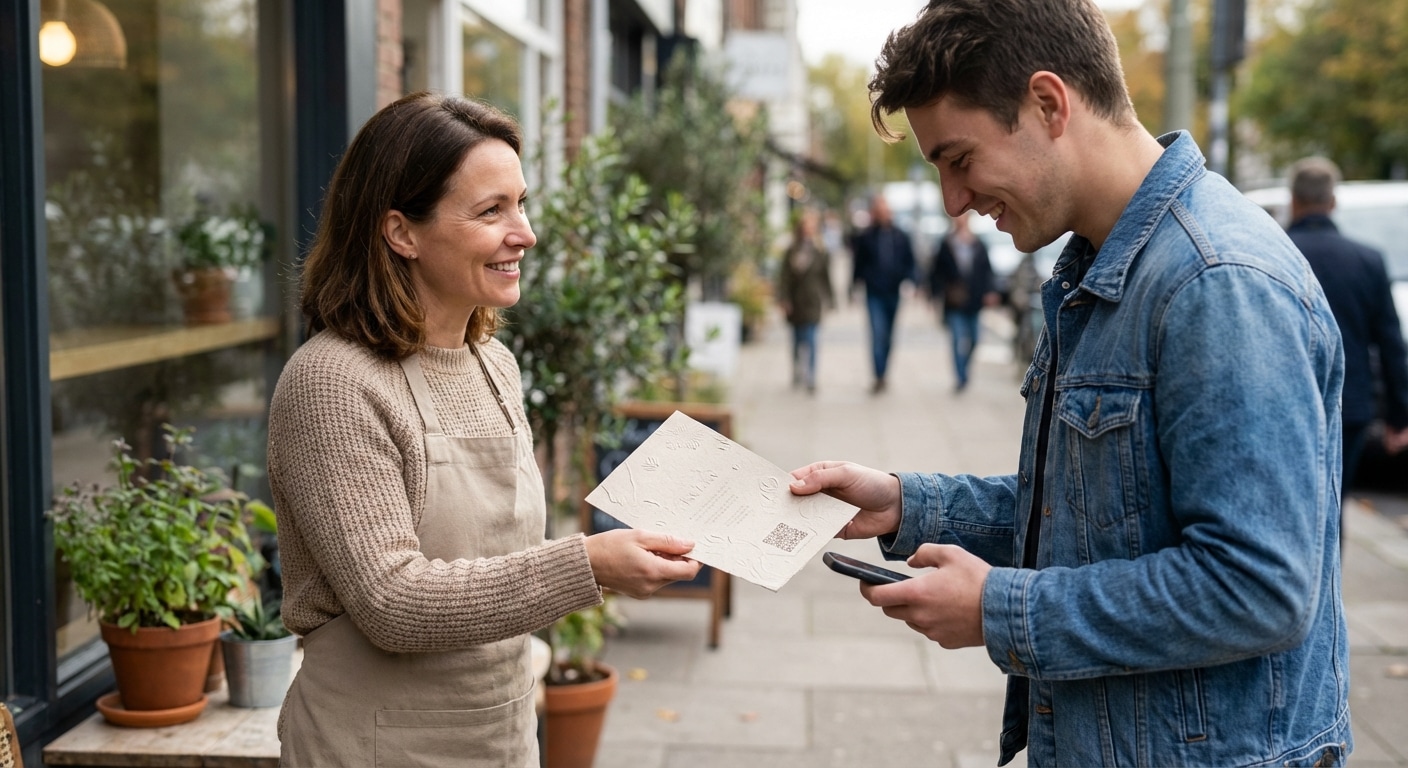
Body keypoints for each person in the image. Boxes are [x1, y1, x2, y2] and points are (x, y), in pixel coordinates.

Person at [788, 1, 1352, 766]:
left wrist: (999, 608)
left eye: (959, 159)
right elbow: (1095, 516)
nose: (954, 200)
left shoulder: (1216, 282)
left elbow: (1258, 588)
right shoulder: (1104, 265)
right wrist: (907, 504)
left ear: (1049, 103)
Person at [267, 92, 702, 767]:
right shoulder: (331, 383)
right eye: (490, 211)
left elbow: (496, 557)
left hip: (499, 738)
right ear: (400, 232)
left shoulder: (492, 363)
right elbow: (393, 601)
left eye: (520, 203)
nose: (524, 233)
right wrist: (587, 564)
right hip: (373, 746)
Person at [1286, 156, 1408, 513]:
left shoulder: (1276, 251)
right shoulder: (1367, 260)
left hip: (1288, 402)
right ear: (1332, 201)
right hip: (1350, 407)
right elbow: (1390, 342)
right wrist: (1399, 417)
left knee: (1291, 507)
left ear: (1293, 200)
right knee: (1333, 505)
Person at [850, 193, 917, 393]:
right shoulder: (866, 237)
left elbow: (910, 262)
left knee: (888, 335)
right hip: (874, 292)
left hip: (893, 291)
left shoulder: (900, 236)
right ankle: (878, 375)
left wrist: (912, 281)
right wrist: (853, 286)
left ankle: (884, 371)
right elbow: (858, 263)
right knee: (878, 333)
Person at [927, 211, 999, 390]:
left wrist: (990, 291)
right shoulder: (946, 244)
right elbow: (936, 272)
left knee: (974, 339)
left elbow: (987, 270)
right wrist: (933, 295)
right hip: (954, 302)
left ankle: (965, 368)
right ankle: (960, 376)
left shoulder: (978, 244)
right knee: (958, 339)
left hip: (974, 301)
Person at [777, 207, 836, 393]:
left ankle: (811, 375)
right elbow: (784, 277)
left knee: (811, 339)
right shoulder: (791, 251)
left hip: (813, 302)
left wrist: (831, 298)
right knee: (796, 340)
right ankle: (797, 369)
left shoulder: (821, 251)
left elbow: (826, 277)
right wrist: (783, 298)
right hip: (795, 303)